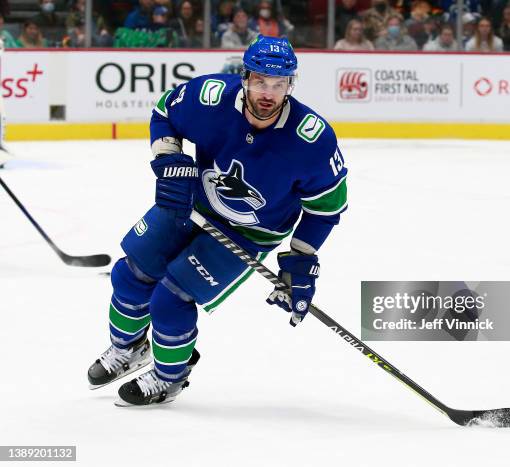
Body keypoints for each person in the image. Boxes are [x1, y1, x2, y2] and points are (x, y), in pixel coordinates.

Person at [87, 34, 348, 406]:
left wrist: (302, 257)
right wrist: (168, 161)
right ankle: (128, 350)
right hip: (193, 203)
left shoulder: (312, 140)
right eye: (260, 80)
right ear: (245, 77)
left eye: (278, 84)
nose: (268, 93)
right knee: (130, 275)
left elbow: (326, 208)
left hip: (251, 231)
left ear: (291, 85)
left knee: (170, 298)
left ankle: (169, 377)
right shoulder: (210, 97)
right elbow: (164, 113)